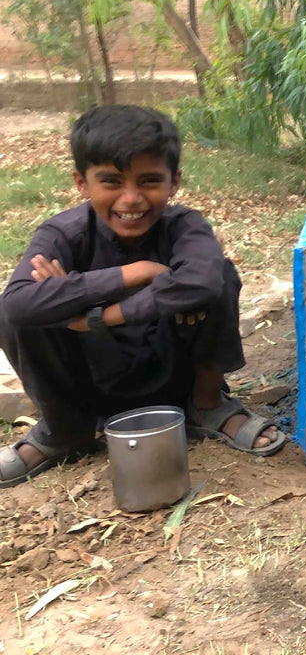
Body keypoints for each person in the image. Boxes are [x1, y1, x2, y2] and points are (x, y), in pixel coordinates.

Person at [0, 105, 285, 488]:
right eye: (112, 182)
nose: (131, 199)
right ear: (81, 184)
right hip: (91, 380)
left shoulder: (185, 226)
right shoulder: (62, 236)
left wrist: (90, 310)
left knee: (218, 276)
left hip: (174, 377)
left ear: (175, 182)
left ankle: (208, 406)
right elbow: (17, 304)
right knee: (22, 313)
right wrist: (141, 273)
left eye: (149, 181)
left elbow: (201, 280)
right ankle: (65, 431)